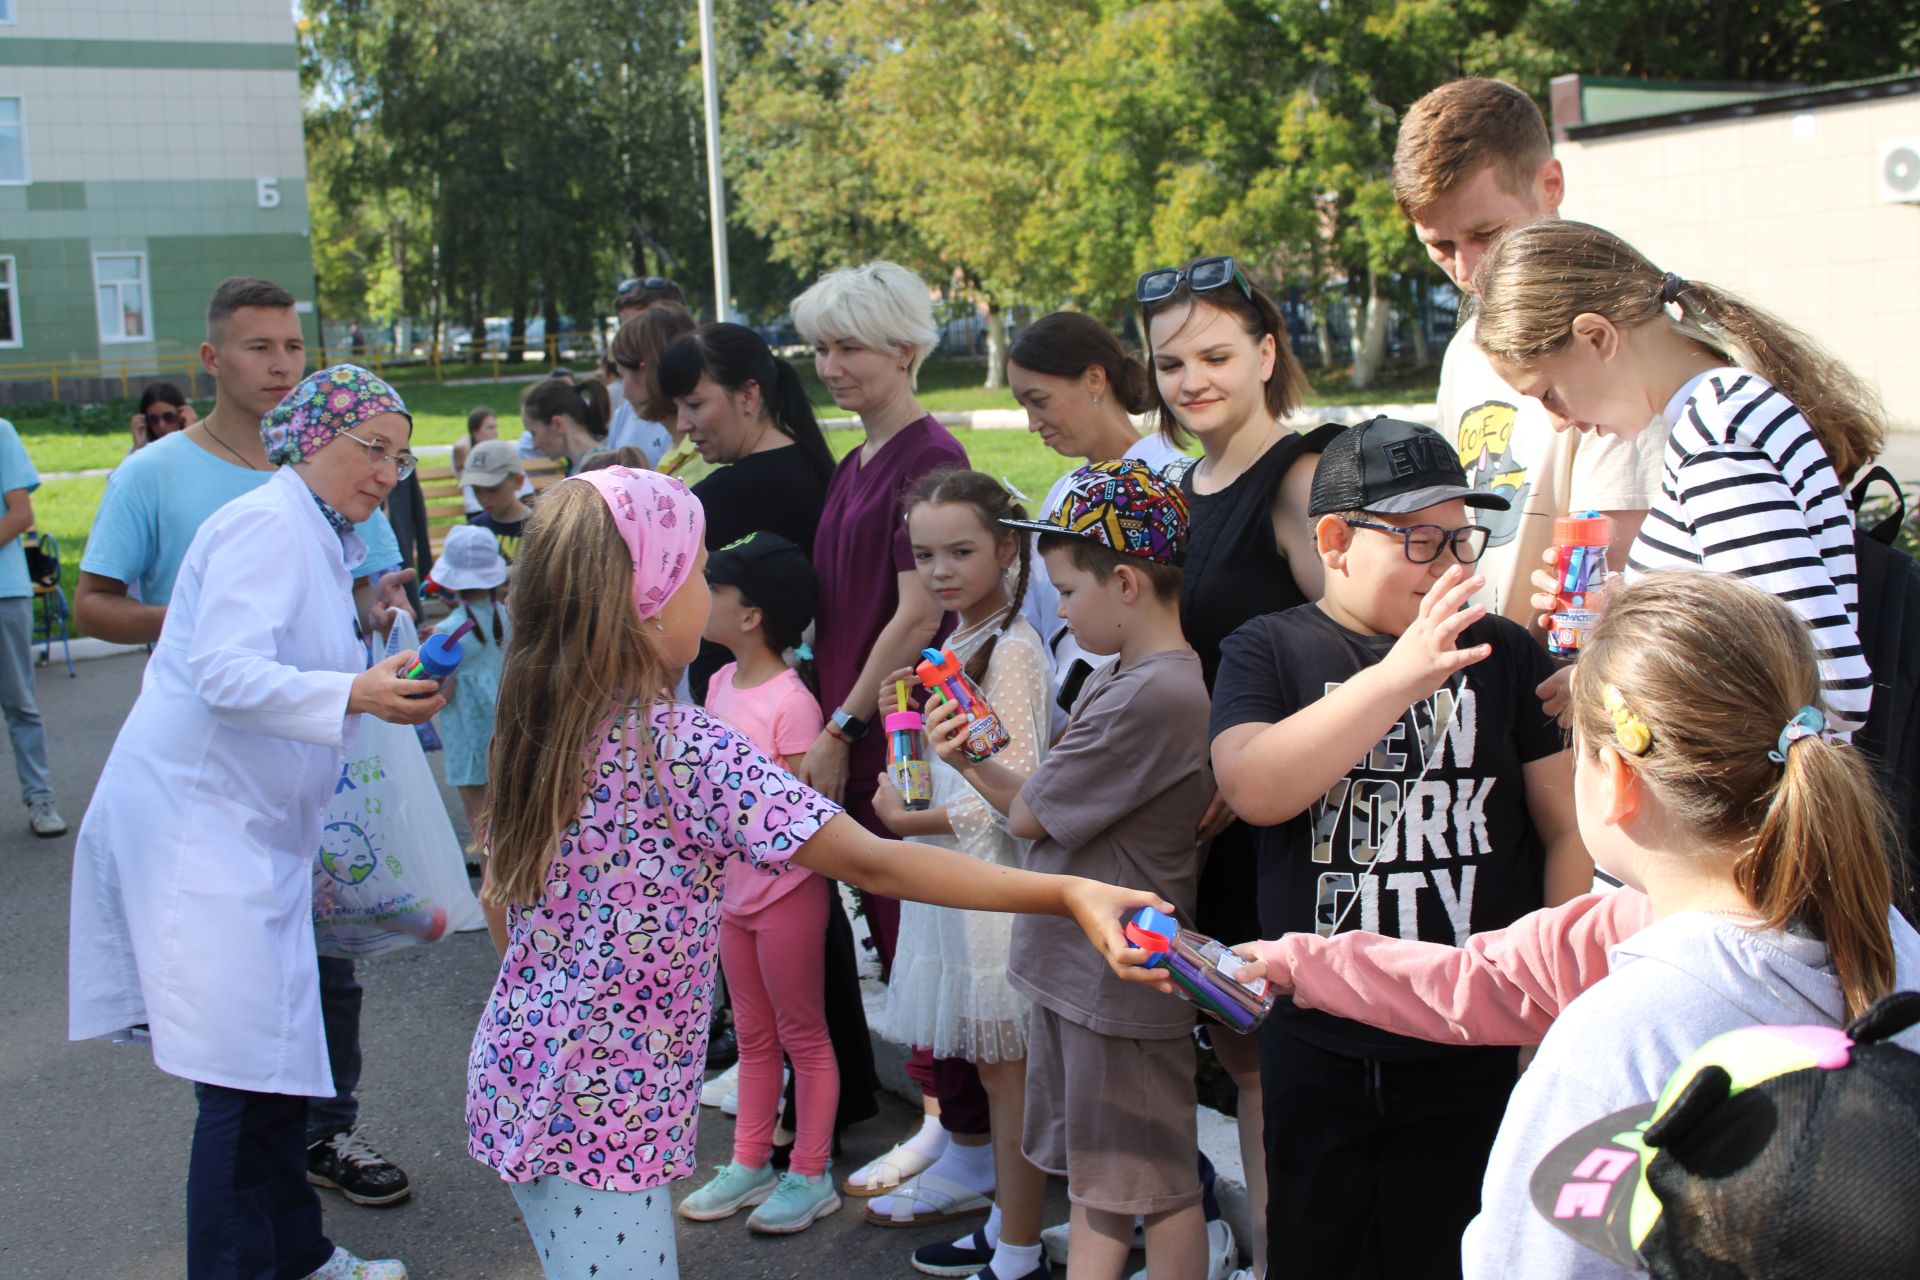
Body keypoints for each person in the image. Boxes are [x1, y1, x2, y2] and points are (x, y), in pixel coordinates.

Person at [462, 465, 1167, 1280]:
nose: (705, 590)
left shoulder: (536, 723)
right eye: (694, 571)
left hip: (521, 1070)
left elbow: (500, 909)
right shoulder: (681, 748)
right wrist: (1069, 891)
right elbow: (872, 861)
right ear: (648, 596)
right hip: (607, 1106)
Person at [1218, 572, 1920, 1279]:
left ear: (1616, 779)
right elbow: (1486, 977)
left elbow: (1525, 1261)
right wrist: (1304, 965)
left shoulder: (1614, 1043)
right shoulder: (1877, 932)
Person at [68, 364, 445, 1280]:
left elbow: (290, 657)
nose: (388, 472)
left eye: (399, 456)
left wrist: (370, 651)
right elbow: (224, 673)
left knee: (281, 1060)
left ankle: (297, 1255)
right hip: (202, 836)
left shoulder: (317, 533)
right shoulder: (266, 528)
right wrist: (354, 689)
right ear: (315, 438)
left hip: (247, 833)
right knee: (244, 1081)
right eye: (373, 451)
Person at [1207, 418, 1589, 1279]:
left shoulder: (1505, 653)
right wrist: (1396, 677)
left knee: (1453, 1250)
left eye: (1463, 537)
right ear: (1335, 541)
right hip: (1319, 1035)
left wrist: (1553, 1007)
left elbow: (1567, 827)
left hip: (1471, 1036)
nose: (1451, 564)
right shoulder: (1271, 647)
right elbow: (1254, 787)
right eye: (1421, 540)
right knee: (1318, 1249)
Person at [945, 458, 1212, 1280]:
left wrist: (970, 764)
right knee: (1102, 1185)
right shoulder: (1127, 677)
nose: (1057, 609)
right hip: (1088, 974)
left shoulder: (1152, 694)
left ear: (1126, 583)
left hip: (1119, 986)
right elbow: (1047, 804)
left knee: (1155, 1188)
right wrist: (985, 762)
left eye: (1066, 591)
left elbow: (1029, 815)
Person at [1472, 219, 1881, 732]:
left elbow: (1823, 685)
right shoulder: (1724, 412)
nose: (1558, 421)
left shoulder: (1715, 432)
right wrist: (1620, 610)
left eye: (1548, 393)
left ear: (1595, 337)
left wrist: (1607, 680)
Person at [1137, 254, 1334, 1275]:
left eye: (1215, 353)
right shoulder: (1183, 486)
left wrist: (1254, 752)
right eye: (1171, 363)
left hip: (1291, 819)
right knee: (1251, 1054)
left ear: (1266, 351)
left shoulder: (1298, 477)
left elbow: (1357, 639)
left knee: (1294, 1059)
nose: (1191, 379)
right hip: (1210, 829)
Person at [787, 260, 980, 1200]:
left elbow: (911, 616)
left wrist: (841, 721)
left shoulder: (928, 459)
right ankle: (948, 1124)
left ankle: (964, 1135)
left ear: (905, 348)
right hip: (853, 719)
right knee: (896, 930)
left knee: (921, 925)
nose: (830, 364)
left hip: (895, 727)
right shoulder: (860, 457)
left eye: (850, 345)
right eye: (821, 346)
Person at [1394, 77, 1667, 629]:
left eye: (1487, 233)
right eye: (1439, 245)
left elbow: (1619, 584)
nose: (1466, 271)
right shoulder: (1466, 348)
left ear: (1551, 184)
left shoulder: (1614, 338)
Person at [868, 470, 1050, 1266]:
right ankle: (1008, 1224)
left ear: (1008, 548)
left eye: (962, 551)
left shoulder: (1010, 648)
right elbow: (947, 768)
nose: (941, 570)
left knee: (1009, 1077)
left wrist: (911, 821)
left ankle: (1016, 1249)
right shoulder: (958, 643)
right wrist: (898, 740)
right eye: (925, 554)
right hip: (955, 879)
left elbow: (1016, 792)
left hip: (989, 889)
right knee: (992, 1065)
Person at [677, 533, 841, 1234]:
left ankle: (811, 1174)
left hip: (784, 896)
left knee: (802, 1035)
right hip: (730, 895)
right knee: (751, 1034)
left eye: (715, 592)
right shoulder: (716, 683)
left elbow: (804, 817)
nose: (700, 602)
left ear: (751, 616)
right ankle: (749, 1163)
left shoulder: (792, 703)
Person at [1007, 312, 1187, 740]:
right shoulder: (1064, 491)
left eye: (1039, 400)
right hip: (1065, 733)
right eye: (1024, 406)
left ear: (1093, 379)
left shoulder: (1176, 481)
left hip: (1135, 728)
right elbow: (1036, 622)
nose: (1033, 423)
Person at [658, 322, 837, 701]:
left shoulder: (725, 496)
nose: (682, 424)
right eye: (677, 407)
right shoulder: (809, 463)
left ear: (748, 395)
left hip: (741, 715)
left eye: (694, 404)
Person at [0, 413, 64, 836]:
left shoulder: (1, 431)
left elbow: (21, 514)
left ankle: (40, 798)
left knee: (20, 702)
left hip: (4, 592)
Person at [427, 525, 509, 848]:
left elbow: (443, 693)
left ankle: (490, 893)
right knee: (507, 822)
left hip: (468, 741)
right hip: (504, 734)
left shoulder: (448, 630)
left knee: (481, 828)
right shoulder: (507, 616)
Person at [612, 305, 706, 481]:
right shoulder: (680, 450)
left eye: (622, 375)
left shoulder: (704, 458)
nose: (623, 393)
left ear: (643, 371)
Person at [520, 374, 611, 475]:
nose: (534, 445)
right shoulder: (593, 465)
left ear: (558, 424)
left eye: (533, 433)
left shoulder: (595, 472)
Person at [461, 438, 532, 562]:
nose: (483, 498)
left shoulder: (540, 528)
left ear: (518, 481)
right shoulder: (474, 529)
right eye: (476, 490)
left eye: (492, 489)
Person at [130, 381, 195, 451]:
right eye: (153, 419)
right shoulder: (142, 449)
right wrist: (139, 447)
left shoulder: (201, 444)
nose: (161, 425)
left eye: (169, 417)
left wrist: (190, 434)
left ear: (183, 415)